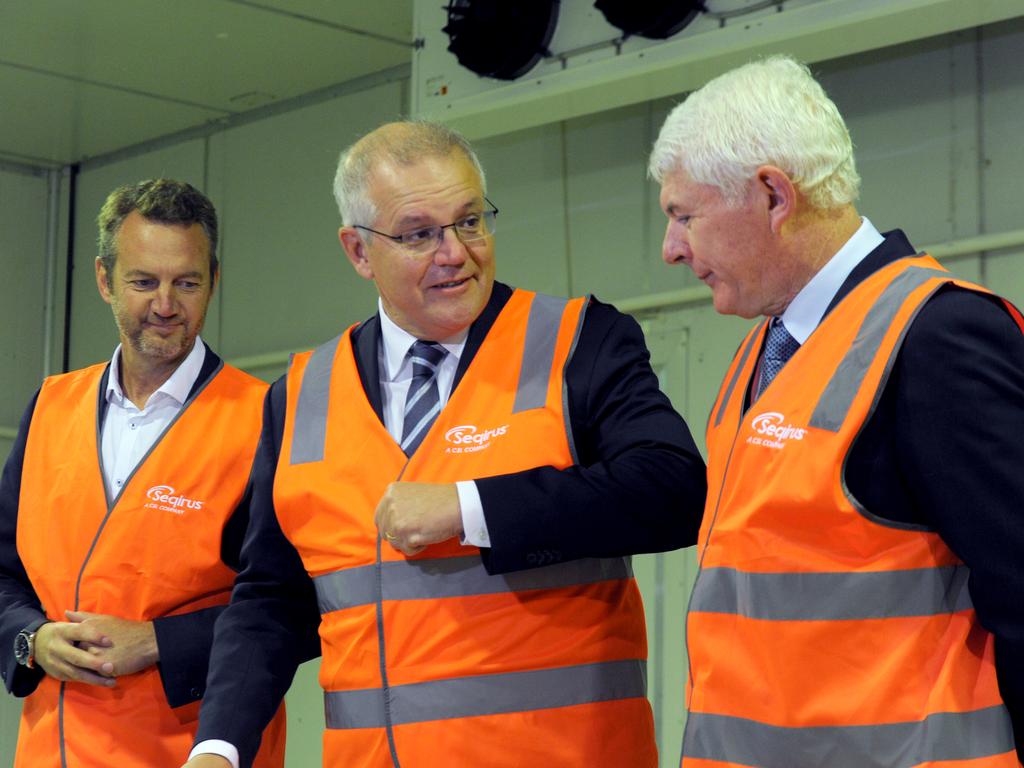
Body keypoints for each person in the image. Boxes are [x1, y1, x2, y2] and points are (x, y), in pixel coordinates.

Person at [183, 120, 707, 768]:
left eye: (469, 221)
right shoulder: (298, 394)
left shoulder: (579, 342)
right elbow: (269, 598)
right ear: (358, 251)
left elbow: (674, 490)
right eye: (419, 234)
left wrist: (470, 507)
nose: (456, 252)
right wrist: (218, 746)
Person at [650, 55, 1024, 767]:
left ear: (772, 195)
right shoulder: (767, 348)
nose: (672, 250)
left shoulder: (936, 336)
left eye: (684, 215)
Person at [0, 179, 286, 767]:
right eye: (143, 282)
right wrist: (32, 638)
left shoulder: (265, 419)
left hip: (191, 752)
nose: (164, 305)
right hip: (51, 752)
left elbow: (291, 605)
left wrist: (158, 642)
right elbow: (3, 575)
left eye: (187, 282)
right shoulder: (51, 407)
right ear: (105, 280)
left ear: (214, 280)